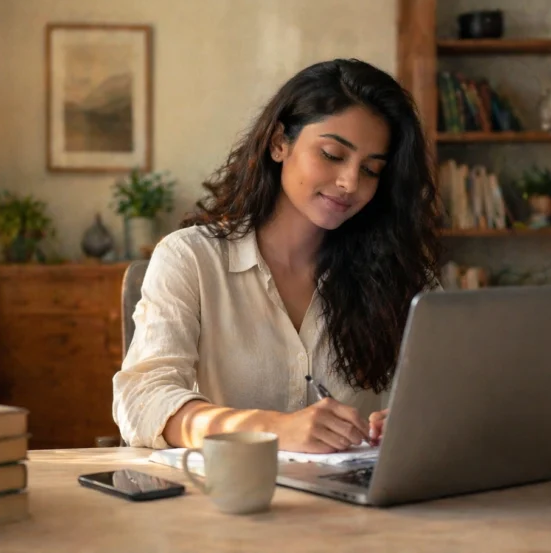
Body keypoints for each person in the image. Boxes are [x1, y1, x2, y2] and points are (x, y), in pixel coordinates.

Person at [112, 58, 441, 453]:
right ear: (279, 143)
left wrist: (418, 419)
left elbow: (451, 393)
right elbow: (142, 400)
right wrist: (271, 428)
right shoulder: (191, 259)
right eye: (333, 155)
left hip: (359, 509)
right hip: (226, 505)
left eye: (371, 170)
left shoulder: (401, 273)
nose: (350, 182)